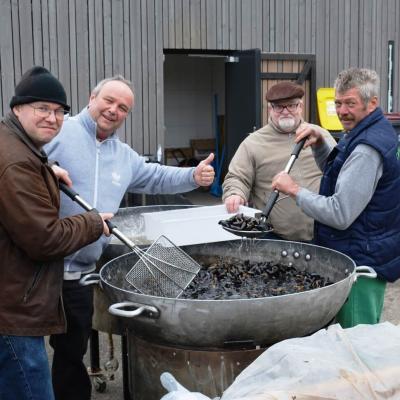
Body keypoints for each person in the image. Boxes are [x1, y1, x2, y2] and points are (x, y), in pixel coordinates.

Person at [44, 75, 215, 400]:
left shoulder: (123, 156)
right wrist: (44, 170)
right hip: (39, 266)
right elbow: (18, 158)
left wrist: (193, 175)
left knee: (69, 355)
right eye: (109, 101)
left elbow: (156, 176)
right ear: (92, 98)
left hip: (78, 275)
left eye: (123, 108)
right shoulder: (57, 131)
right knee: (24, 352)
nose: (114, 110)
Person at [0, 66, 113, 400]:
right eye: (42, 109)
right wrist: (92, 223)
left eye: (58, 111)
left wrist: (47, 171)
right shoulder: (17, 163)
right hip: (13, 310)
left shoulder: (18, 147)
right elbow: (45, 240)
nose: (52, 118)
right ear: (17, 108)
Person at [272, 68, 400, 328]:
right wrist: (322, 145)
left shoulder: (367, 148)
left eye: (350, 103)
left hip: (360, 268)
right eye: (338, 103)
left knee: (357, 346)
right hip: (363, 254)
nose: (342, 111)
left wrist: (294, 190)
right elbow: (344, 174)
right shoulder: (369, 130)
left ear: (372, 102)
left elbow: (340, 214)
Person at [222, 81, 336, 241]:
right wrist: (235, 194)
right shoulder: (253, 143)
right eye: (278, 107)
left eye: (291, 105)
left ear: (300, 107)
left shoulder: (320, 136)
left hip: (324, 233)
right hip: (276, 238)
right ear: (270, 109)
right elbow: (237, 177)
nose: (286, 111)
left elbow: (341, 172)